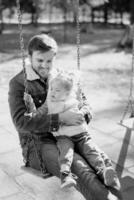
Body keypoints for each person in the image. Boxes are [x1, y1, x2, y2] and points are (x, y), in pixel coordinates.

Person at [8, 33, 122, 200]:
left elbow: (86, 105)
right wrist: (61, 119)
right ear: (29, 56)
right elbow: (21, 123)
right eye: (40, 60)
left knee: (103, 163)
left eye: (49, 61)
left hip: (71, 133)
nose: (45, 66)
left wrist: (80, 115)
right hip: (39, 143)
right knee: (81, 168)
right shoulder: (19, 83)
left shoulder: (63, 77)